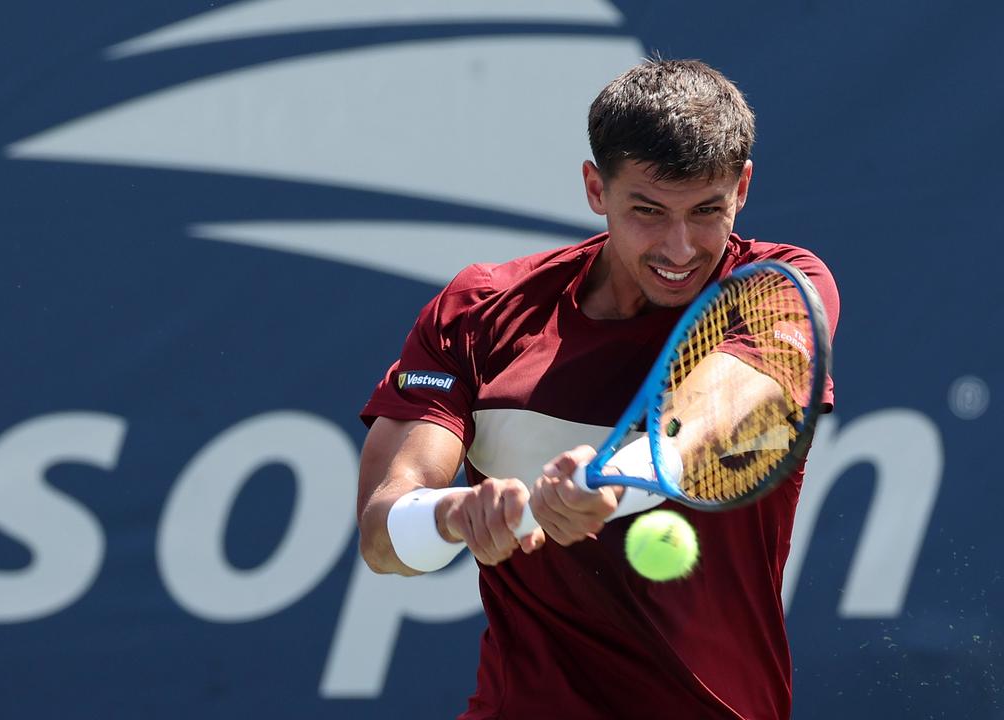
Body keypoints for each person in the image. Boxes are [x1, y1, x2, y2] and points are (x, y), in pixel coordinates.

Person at [356, 58, 840, 719]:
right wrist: (451, 517)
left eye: (706, 210)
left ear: (744, 187)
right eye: (647, 210)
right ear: (595, 187)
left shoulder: (778, 286)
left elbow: (723, 409)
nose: (679, 248)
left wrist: (618, 475)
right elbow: (382, 538)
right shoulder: (479, 311)